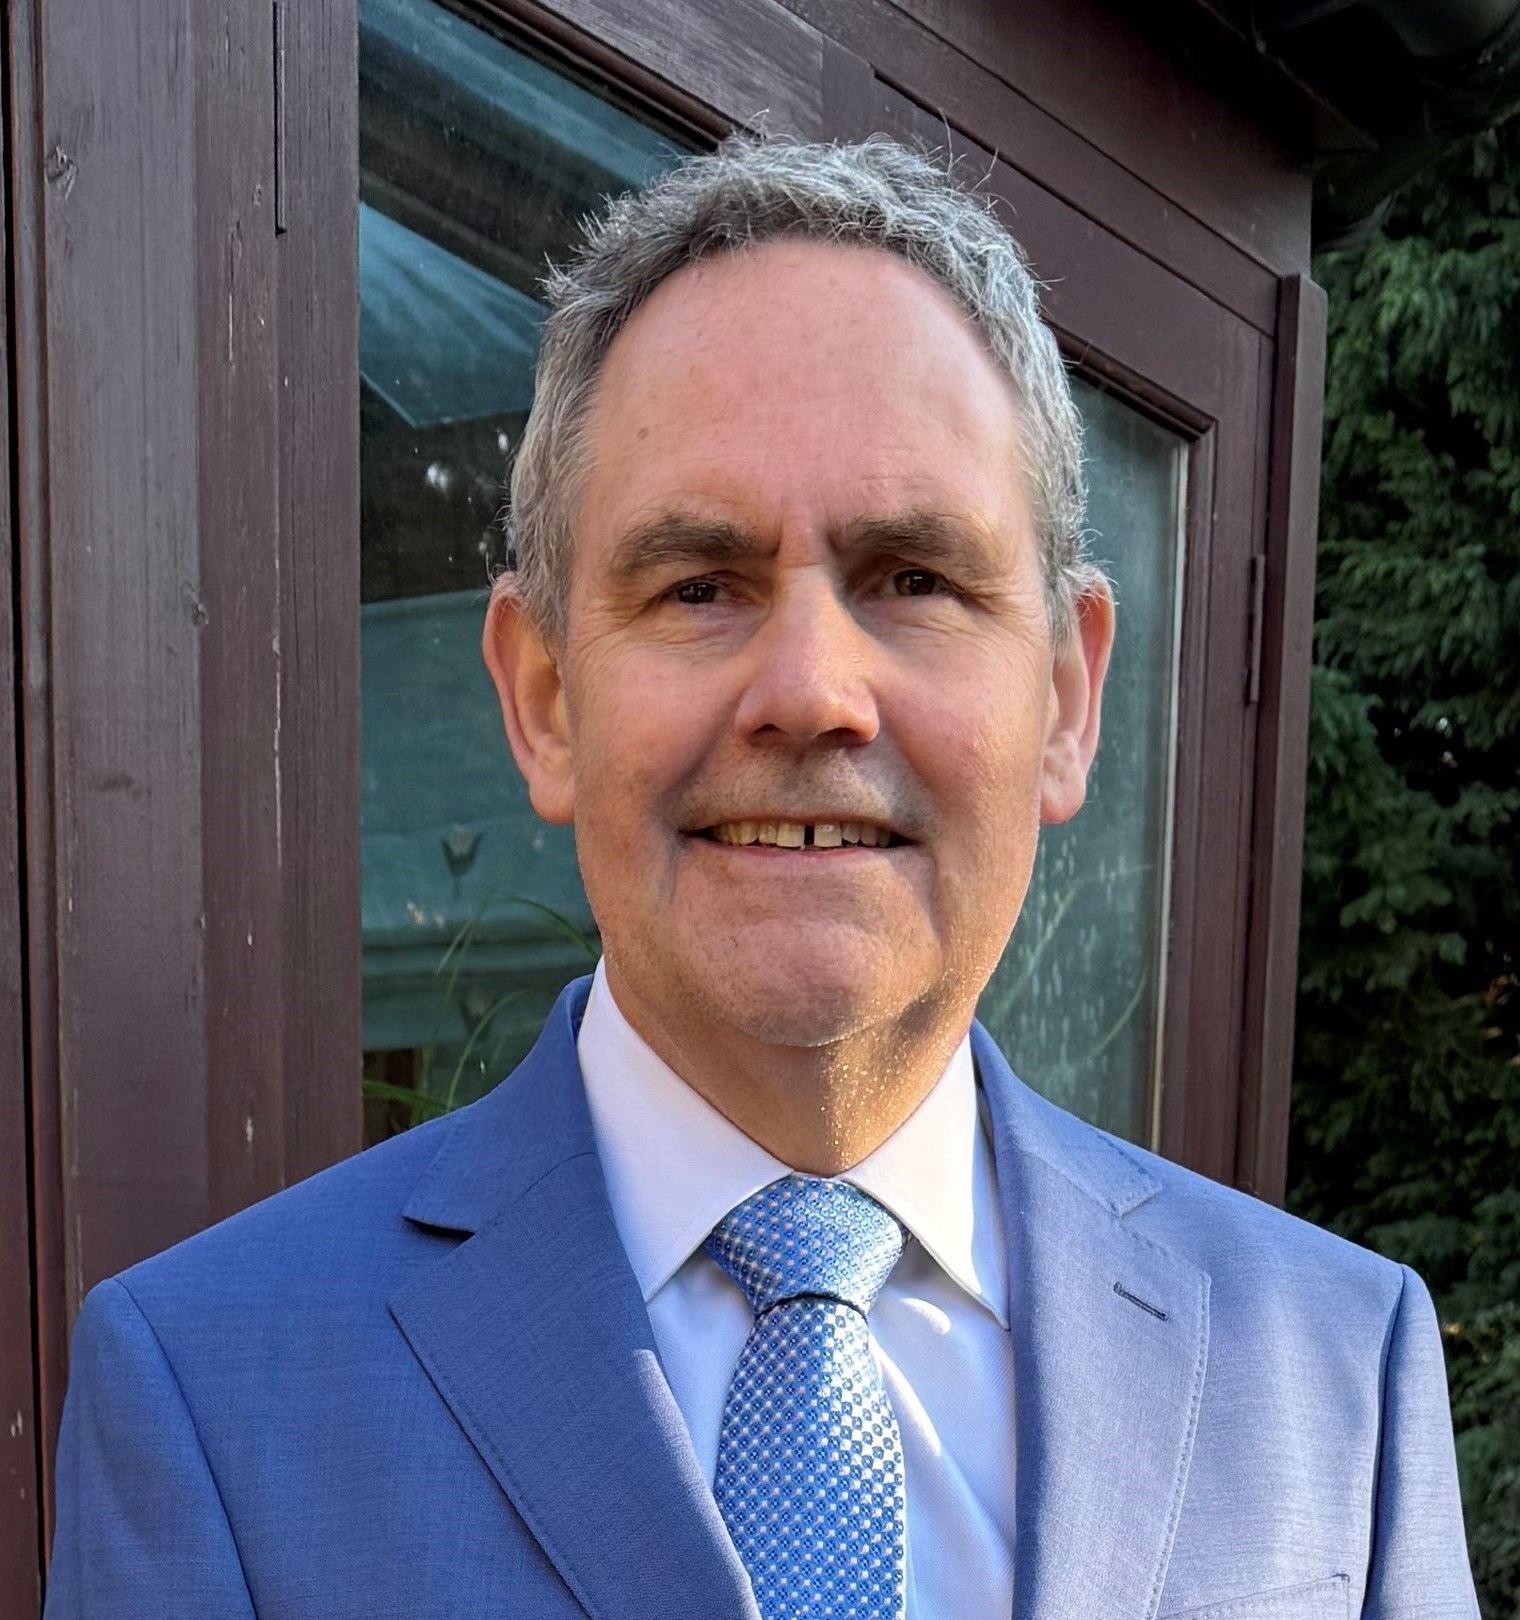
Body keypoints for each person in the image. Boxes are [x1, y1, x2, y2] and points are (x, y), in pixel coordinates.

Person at [45, 137, 1476, 1620]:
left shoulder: (1334, 1380)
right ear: (544, 698)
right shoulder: (213, 1394)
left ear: (1065, 697)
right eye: (700, 587)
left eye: (914, 579)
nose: (811, 692)